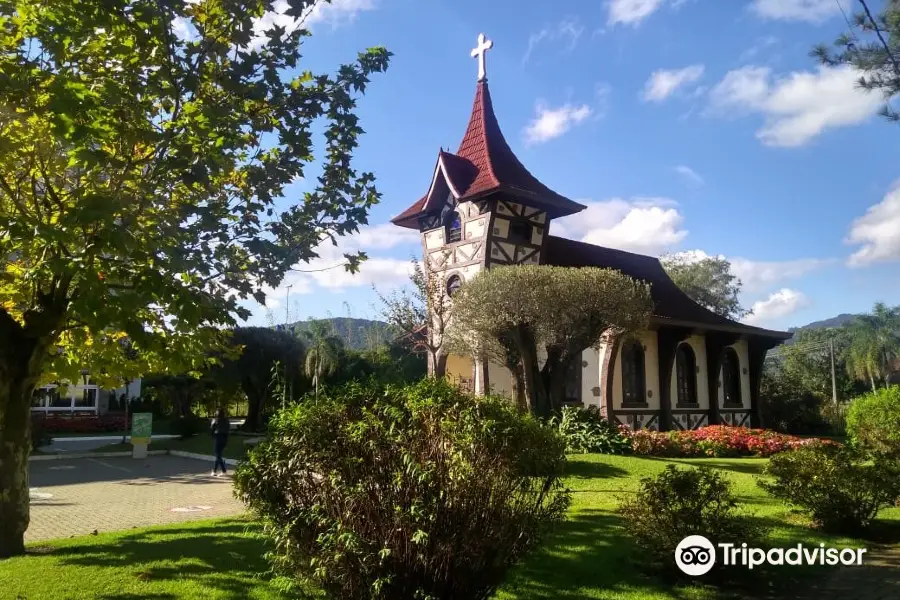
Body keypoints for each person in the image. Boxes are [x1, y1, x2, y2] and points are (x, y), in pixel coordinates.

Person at [210, 407, 230, 477]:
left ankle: (223, 471)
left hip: (218, 438)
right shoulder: (227, 420)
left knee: (218, 455)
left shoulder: (215, 420)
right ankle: (214, 471)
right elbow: (228, 430)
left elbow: (212, 430)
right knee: (218, 455)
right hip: (224, 438)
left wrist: (213, 436)